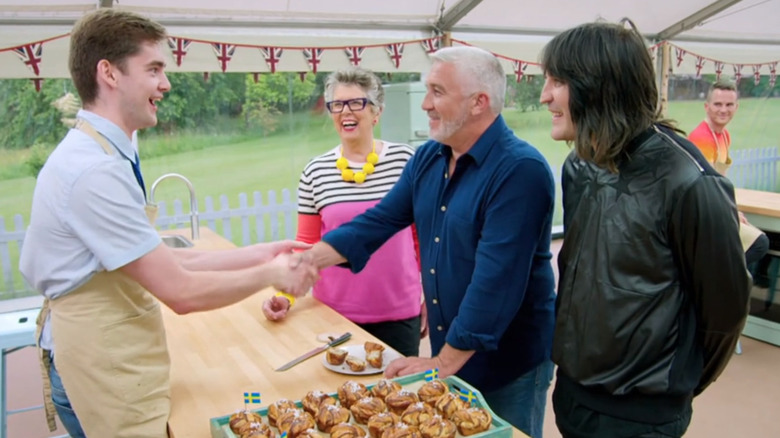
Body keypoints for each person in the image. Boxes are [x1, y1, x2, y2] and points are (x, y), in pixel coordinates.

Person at [19, 9, 317, 438]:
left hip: (112, 354)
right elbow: (179, 291)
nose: (166, 83)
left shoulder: (105, 152)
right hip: (102, 366)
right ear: (109, 73)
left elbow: (162, 261)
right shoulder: (92, 171)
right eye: (154, 69)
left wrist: (259, 253)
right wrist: (270, 274)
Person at [294, 46, 556, 438]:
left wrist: (442, 362)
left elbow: (495, 282)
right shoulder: (430, 158)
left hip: (507, 365)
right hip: (453, 352)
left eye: (437, 92)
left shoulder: (520, 171)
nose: (426, 105)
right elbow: (379, 220)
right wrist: (311, 259)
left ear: (478, 103)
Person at [539, 21, 751, 438]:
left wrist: (673, 388)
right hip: (573, 396)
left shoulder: (689, 182)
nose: (544, 95)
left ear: (598, 84)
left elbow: (724, 313)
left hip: (642, 417)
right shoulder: (579, 166)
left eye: (557, 80)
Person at [261, 67, 425, 357]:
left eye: (356, 103)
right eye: (337, 104)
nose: (345, 112)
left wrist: (433, 298)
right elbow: (307, 246)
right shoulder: (315, 172)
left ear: (377, 111)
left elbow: (422, 238)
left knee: (401, 398)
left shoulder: (406, 161)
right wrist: (286, 294)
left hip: (399, 314)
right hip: (333, 315)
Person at [688, 81, 769, 265]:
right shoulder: (702, 137)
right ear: (706, 106)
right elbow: (707, 187)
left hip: (715, 206)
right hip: (702, 212)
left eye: (729, 105)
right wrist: (731, 210)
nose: (723, 110)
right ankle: (719, 281)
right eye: (718, 104)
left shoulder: (724, 136)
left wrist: (733, 207)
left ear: (737, 107)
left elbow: (721, 179)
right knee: (759, 243)